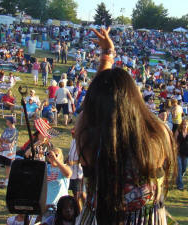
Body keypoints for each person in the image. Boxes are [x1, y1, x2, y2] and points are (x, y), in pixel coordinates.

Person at [75, 27, 176, 224]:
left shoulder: (89, 139)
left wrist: (107, 58)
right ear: (134, 99)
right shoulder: (157, 136)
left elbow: (90, 108)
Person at [67, 127, 86, 211]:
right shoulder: (73, 141)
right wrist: (67, 159)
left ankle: (81, 211)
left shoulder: (81, 143)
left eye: (73, 133)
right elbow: (70, 153)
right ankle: (80, 210)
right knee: (77, 194)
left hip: (78, 173)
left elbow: (83, 159)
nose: (72, 135)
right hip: (71, 172)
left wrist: (73, 162)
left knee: (78, 195)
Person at [175, 119, 188, 190]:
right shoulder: (178, 131)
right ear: (181, 125)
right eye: (183, 124)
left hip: (185, 152)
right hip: (178, 152)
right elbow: (175, 141)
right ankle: (180, 184)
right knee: (179, 168)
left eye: (186, 124)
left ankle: (178, 178)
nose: (185, 126)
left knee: (184, 168)